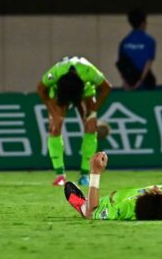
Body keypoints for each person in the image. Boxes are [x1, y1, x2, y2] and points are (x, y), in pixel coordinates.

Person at [37, 56, 112, 186]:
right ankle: (60, 176)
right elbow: (41, 89)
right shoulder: (55, 73)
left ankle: (84, 175)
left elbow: (107, 88)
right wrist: (53, 112)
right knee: (55, 126)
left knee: (90, 126)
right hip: (59, 91)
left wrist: (93, 111)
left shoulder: (89, 71)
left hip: (85, 91)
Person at [116, 9, 156, 90]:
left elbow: (121, 64)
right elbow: (148, 64)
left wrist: (126, 82)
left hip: (129, 83)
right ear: (143, 23)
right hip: (144, 84)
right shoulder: (149, 41)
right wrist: (139, 82)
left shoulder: (124, 42)